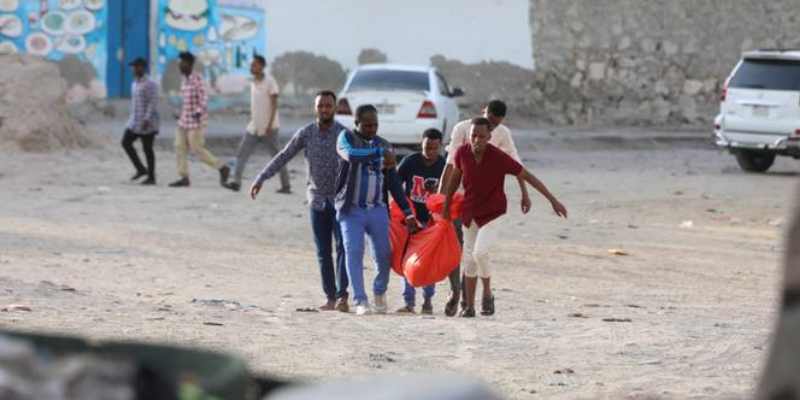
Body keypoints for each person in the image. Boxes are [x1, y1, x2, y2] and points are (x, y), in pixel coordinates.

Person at [441, 117, 567, 318]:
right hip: (470, 212)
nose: (477, 140)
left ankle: (488, 292)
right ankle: (469, 306)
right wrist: (446, 206)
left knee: (480, 253)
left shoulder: (498, 157)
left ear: (489, 137)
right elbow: (454, 180)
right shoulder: (462, 153)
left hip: (494, 212)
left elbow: (527, 176)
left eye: (482, 136)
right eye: (473, 135)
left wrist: (552, 200)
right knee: (469, 260)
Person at [250, 91, 350, 312]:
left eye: (328, 105)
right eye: (320, 106)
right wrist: (261, 178)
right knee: (323, 252)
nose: (324, 109)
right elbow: (284, 155)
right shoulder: (306, 133)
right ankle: (330, 297)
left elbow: (359, 161)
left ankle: (344, 296)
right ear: (315, 108)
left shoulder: (344, 134)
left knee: (343, 248)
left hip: (341, 201)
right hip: (316, 201)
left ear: (334, 108)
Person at [438, 99, 532, 317]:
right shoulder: (462, 129)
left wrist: (525, 193)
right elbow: (450, 164)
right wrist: (442, 198)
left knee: (477, 252)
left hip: (487, 199)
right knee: (462, 250)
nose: (490, 126)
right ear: (483, 112)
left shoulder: (503, 134)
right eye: (488, 120)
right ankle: (458, 295)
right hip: (462, 198)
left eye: (494, 124)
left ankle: (476, 297)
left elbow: (516, 164)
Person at [335, 104, 420, 316]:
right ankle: (360, 300)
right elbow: (352, 156)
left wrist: (407, 212)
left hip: (377, 209)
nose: (372, 129)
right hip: (351, 209)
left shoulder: (384, 145)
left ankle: (379, 291)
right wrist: (380, 154)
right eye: (367, 125)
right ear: (356, 124)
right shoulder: (345, 138)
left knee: (384, 256)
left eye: (375, 125)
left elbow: (393, 184)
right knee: (353, 252)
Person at [394, 128, 446, 315]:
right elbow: (395, 184)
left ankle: (428, 300)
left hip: (432, 222)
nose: (429, 152)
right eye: (426, 147)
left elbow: (449, 194)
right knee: (406, 260)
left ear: (440, 146)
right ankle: (409, 302)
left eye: (433, 148)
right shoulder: (410, 162)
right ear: (421, 144)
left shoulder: (444, 166)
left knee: (428, 262)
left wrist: (435, 193)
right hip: (411, 220)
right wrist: (403, 213)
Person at [226, 55, 290, 193]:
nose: (251, 67)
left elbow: (274, 105)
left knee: (277, 158)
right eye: (251, 65)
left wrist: (269, 125)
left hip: (269, 128)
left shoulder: (270, 81)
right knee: (241, 153)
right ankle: (236, 182)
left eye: (254, 65)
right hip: (254, 127)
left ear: (261, 66)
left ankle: (286, 186)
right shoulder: (253, 82)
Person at [168, 51, 230, 188]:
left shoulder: (198, 79)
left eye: (182, 63)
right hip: (184, 120)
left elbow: (204, 99)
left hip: (196, 121)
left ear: (189, 64)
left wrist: (197, 113)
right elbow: (186, 101)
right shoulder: (184, 80)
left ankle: (222, 168)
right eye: (179, 63)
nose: (179, 66)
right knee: (179, 146)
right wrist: (179, 113)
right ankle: (184, 177)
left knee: (197, 149)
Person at [121, 57, 159, 185]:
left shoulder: (150, 84)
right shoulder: (135, 83)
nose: (135, 69)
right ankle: (141, 169)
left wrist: (147, 118)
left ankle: (152, 177)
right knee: (125, 142)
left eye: (137, 66)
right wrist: (131, 119)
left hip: (147, 122)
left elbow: (152, 103)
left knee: (148, 149)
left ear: (143, 67)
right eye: (134, 67)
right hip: (134, 121)